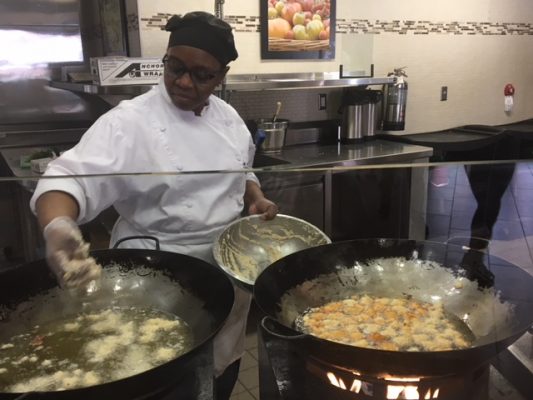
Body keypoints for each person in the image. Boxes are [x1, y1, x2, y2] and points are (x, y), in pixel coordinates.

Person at [30, 11, 278, 399]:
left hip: (226, 270)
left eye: (201, 75)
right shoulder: (130, 122)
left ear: (222, 76)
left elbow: (242, 170)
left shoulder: (228, 117)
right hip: (159, 275)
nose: (183, 81)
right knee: (165, 375)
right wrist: (58, 227)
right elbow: (67, 179)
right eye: (174, 66)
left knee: (222, 368)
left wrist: (256, 197)